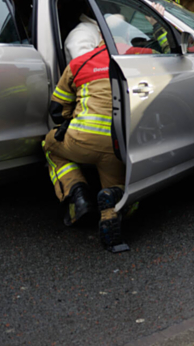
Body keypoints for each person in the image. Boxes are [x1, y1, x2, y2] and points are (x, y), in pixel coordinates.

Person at [42, 42, 129, 253]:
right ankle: (110, 207)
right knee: (118, 187)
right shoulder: (134, 58)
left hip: (81, 141)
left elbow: (57, 110)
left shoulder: (79, 63)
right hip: (117, 146)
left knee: (50, 145)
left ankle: (77, 192)